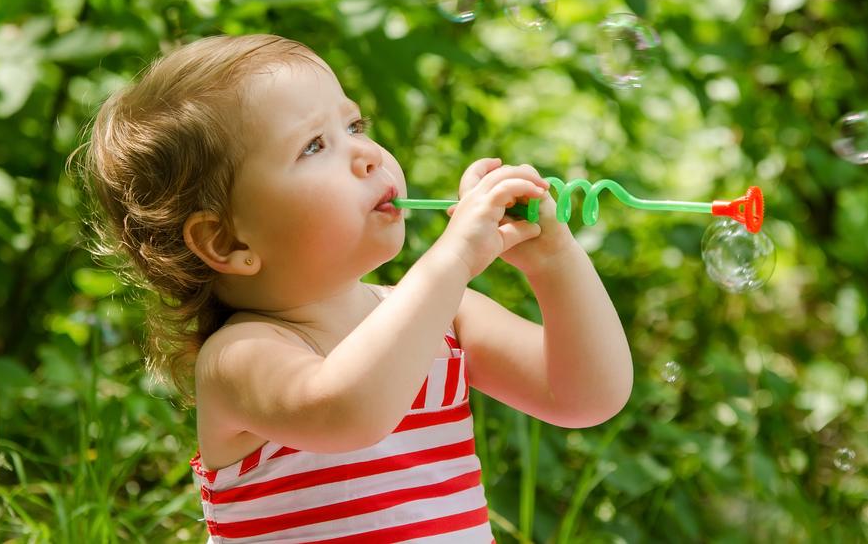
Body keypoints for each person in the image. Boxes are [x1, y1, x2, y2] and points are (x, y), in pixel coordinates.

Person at [74, 34, 633, 543]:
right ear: (226, 242)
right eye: (314, 146)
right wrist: (454, 256)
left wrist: (553, 261)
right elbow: (349, 412)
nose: (367, 155)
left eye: (355, 126)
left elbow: (586, 396)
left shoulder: (450, 317)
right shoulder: (239, 358)